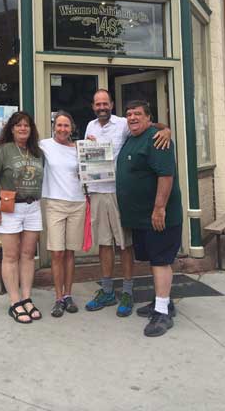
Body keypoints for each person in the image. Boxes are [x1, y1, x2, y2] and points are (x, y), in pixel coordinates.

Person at [84, 89, 170, 317]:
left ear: (111, 104)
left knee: (125, 244)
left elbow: (154, 125)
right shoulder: (90, 126)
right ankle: (107, 290)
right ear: (93, 106)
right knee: (104, 243)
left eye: (105, 103)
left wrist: (167, 130)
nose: (102, 107)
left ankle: (128, 291)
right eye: (97, 104)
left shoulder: (123, 122)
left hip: (119, 192)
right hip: (97, 191)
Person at [116, 100, 182, 337]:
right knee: (154, 259)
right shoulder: (133, 138)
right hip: (142, 218)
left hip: (158, 216)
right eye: (129, 114)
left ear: (148, 118)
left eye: (137, 114)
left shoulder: (158, 139)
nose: (132, 117)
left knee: (160, 260)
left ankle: (162, 313)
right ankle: (163, 301)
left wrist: (159, 208)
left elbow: (166, 175)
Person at [0, 111, 44, 324]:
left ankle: (27, 297)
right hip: (10, 207)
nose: (23, 129)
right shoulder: (4, 150)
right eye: (18, 125)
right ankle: (14, 301)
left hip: (33, 207)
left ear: (31, 129)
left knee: (28, 254)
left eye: (26, 125)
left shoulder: (37, 152)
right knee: (10, 256)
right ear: (11, 128)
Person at [40, 111, 86, 317]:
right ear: (53, 126)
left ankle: (68, 295)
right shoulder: (44, 145)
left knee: (69, 253)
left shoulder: (78, 148)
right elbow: (19, 142)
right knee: (57, 253)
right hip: (55, 203)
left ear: (72, 128)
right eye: (59, 125)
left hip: (77, 203)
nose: (62, 129)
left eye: (66, 126)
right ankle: (58, 298)